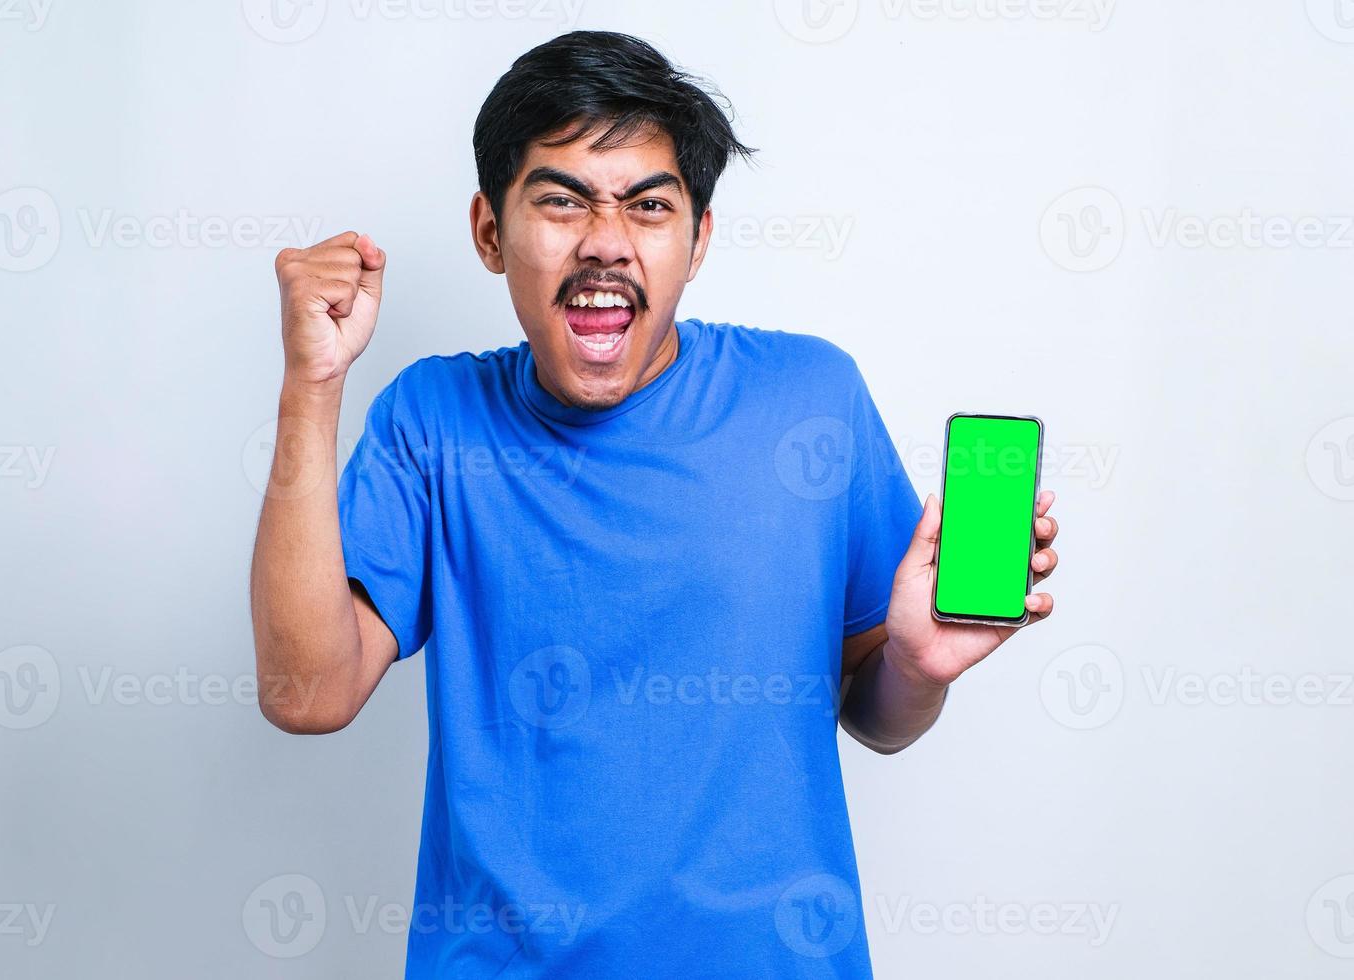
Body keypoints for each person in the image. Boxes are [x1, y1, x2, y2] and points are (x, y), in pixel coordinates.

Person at [249, 29, 1060, 979]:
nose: (604, 242)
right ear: (489, 231)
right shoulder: (432, 422)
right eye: (560, 201)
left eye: (648, 206)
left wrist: (918, 667)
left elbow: (875, 713)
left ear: (698, 238)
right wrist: (312, 384)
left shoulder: (810, 401)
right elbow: (307, 694)